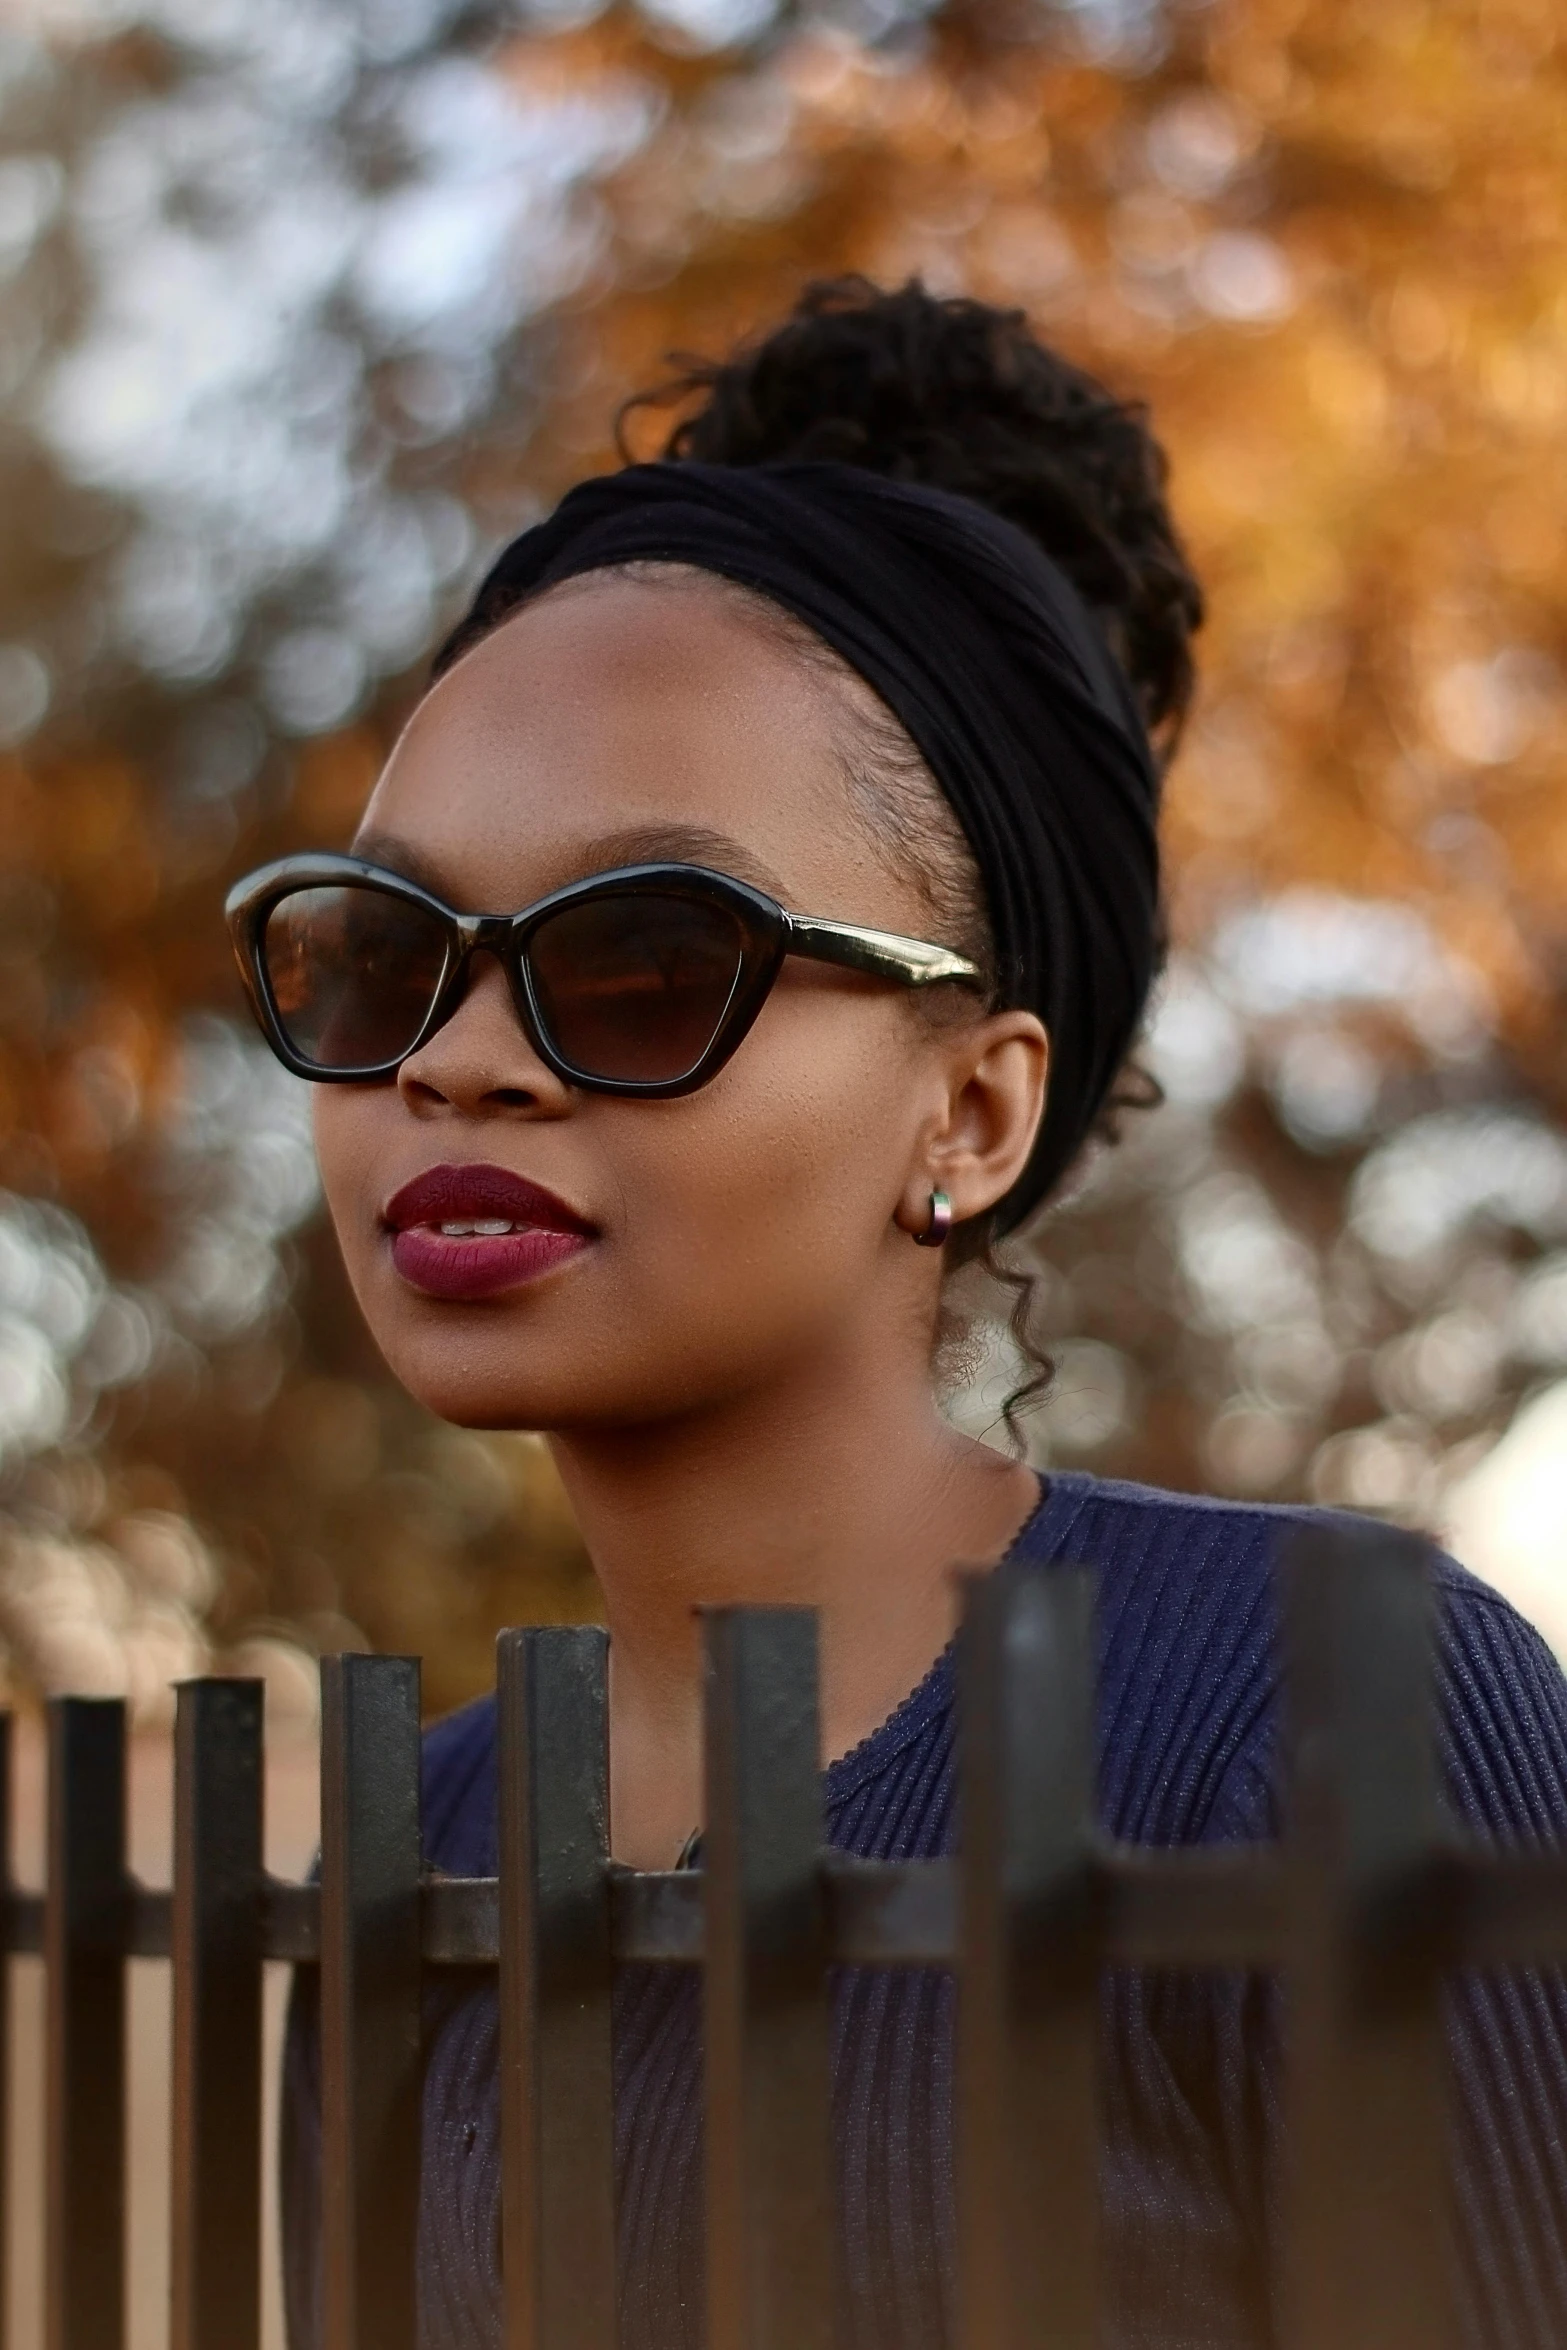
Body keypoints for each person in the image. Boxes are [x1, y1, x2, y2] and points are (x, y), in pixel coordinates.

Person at [237, 278, 1567, 2349]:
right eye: (384, 949)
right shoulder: (421, 1858)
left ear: (970, 1104)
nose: (457, 1061)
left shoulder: (1319, 1725)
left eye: (647, 957)